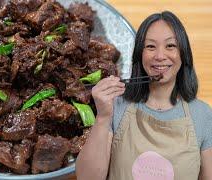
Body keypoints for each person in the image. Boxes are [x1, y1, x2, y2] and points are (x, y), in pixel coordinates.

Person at [76, 11, 212, 180]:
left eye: (170, 46)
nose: (160, 56)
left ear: (183, 54)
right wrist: (103, 116)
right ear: (140, 55)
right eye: (150, 46)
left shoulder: (203, 115)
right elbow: (86, 177)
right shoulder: (117, 106)